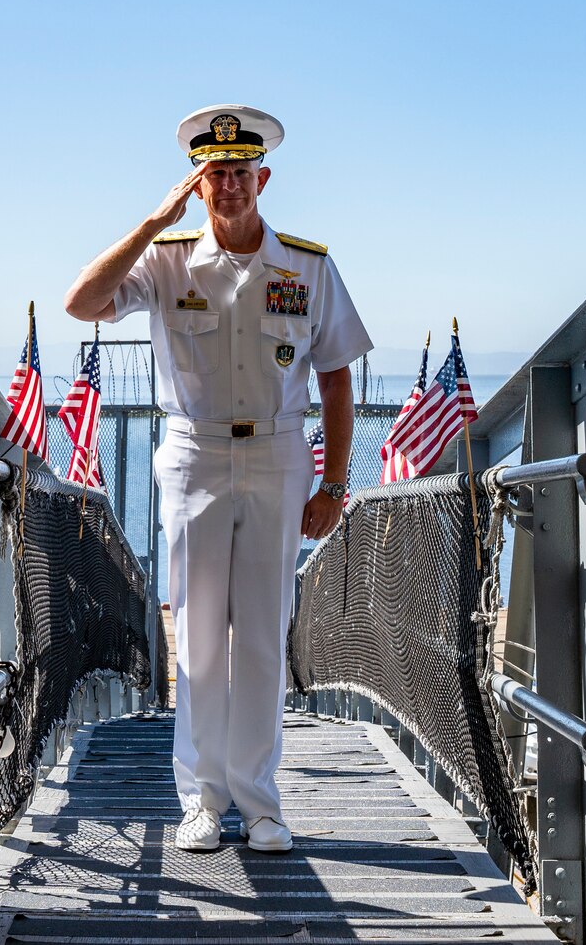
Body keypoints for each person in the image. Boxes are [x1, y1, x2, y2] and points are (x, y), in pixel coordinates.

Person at [63, 104, 372, 853]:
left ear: (263, 178)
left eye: (241, 172)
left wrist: (333, 485)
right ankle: (202, 800)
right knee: (199, 637)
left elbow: (334, 378)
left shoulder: (308, 265)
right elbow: (81, 303)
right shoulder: (166, 260)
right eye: (215, 175)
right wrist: (148, 222)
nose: (230, 185)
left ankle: (260, 803)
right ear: (198, 185)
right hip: (195, 456)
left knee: (263, 634)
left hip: (278, 454)